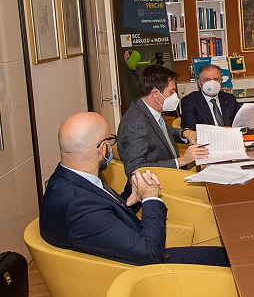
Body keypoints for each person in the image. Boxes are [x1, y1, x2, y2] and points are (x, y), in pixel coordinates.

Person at [39, 112, 229, 266]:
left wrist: (133, 194)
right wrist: (151, 199)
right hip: (143, 269)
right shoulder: (81, 207)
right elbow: (151, 254)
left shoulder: (67, 180)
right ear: (102, 148)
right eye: (111, 142)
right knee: (228, 258)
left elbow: (108, 217)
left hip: (128, 250)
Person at [118, 65, 208, 177]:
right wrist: (181, 161)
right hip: (159, 182)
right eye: (171, 92)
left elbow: (159, 131)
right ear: (155, 94)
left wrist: (185, 133)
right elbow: (136, 169)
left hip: (169, 175)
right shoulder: (136, 124)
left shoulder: (146, 109)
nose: (175, 96)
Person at [181, 64, 241, 129]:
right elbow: (190, 127)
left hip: (230, 134)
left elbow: (241, 120)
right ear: (199, 83)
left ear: (221, 81)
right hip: (206, 135)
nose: (212, 83)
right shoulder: (190, 101)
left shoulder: (229, 99)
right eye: (207, 79)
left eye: (216, 79)